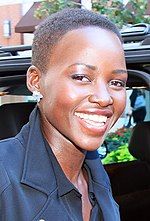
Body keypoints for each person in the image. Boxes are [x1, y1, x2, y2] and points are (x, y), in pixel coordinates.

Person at [0, 8, 127, 221]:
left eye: (116, 83)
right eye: (81, 77)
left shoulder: (97, 179)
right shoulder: (4, 175)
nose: (104, 98)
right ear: (35, 80)